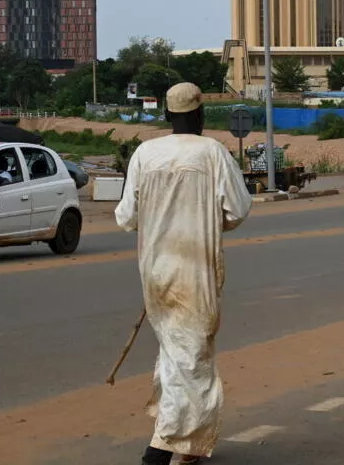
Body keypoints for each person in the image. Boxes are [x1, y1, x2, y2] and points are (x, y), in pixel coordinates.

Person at [115, 83, 253, 465]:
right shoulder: (213, 153)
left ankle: (185, 445)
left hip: (156, 271)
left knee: (175, 350)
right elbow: (238, 210)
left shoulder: (145, 152)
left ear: (167, 115)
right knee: (191, 355)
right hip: (195, 271)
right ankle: (161, 447)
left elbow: (126, 216)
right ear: (201, 115)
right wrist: (204, 219)